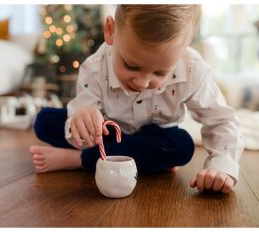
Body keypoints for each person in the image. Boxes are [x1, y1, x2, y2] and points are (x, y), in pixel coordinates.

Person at [30, 5, 243, 194]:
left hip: (155, 136)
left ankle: (78, 160)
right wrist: (82, 118)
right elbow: (82, 109)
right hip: (108, 134)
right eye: (131, 65)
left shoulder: (192, 69)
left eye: (160, 73)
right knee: (44, 121)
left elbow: (221, 120)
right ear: (111, 31)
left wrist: (221, 167)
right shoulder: (94, 67)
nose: (142, 83)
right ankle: (147, 160)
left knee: (182, 145)